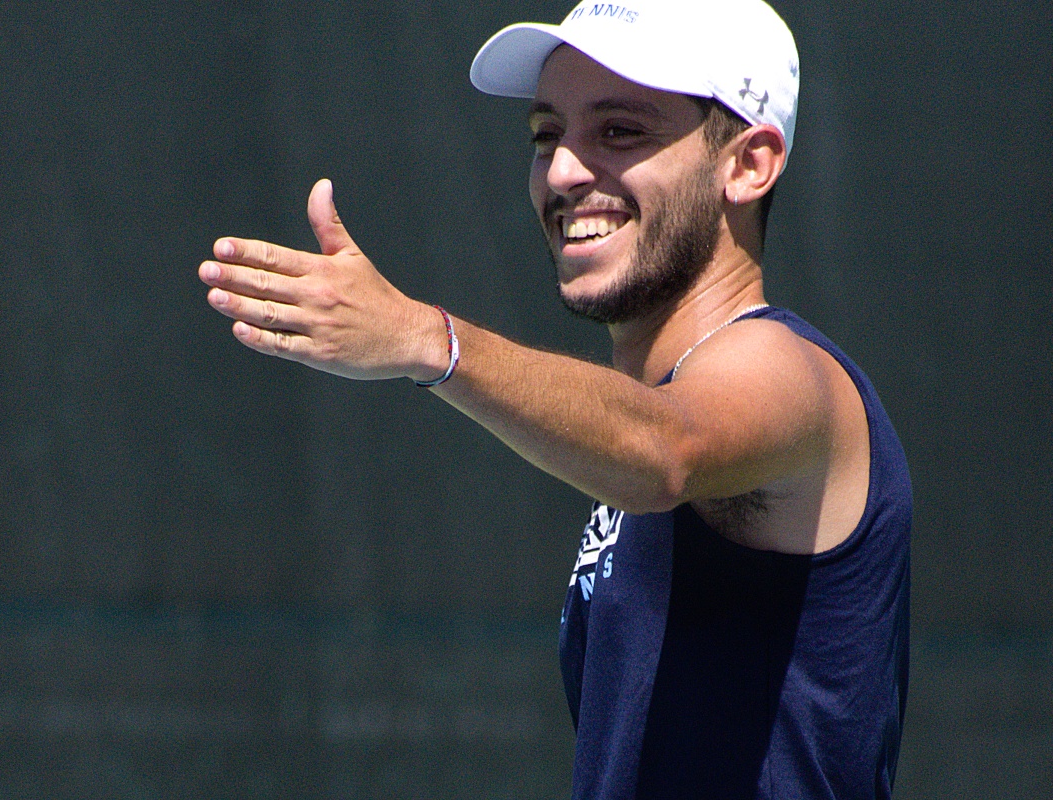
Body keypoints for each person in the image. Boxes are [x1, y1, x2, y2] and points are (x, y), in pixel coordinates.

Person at [198, 0, 912, 796]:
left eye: (620, 131)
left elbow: (662, 451)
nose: (565, 171)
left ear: (747, 165)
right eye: (547, 135)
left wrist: (425, 341)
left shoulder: (786, 368)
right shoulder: (654, 411)